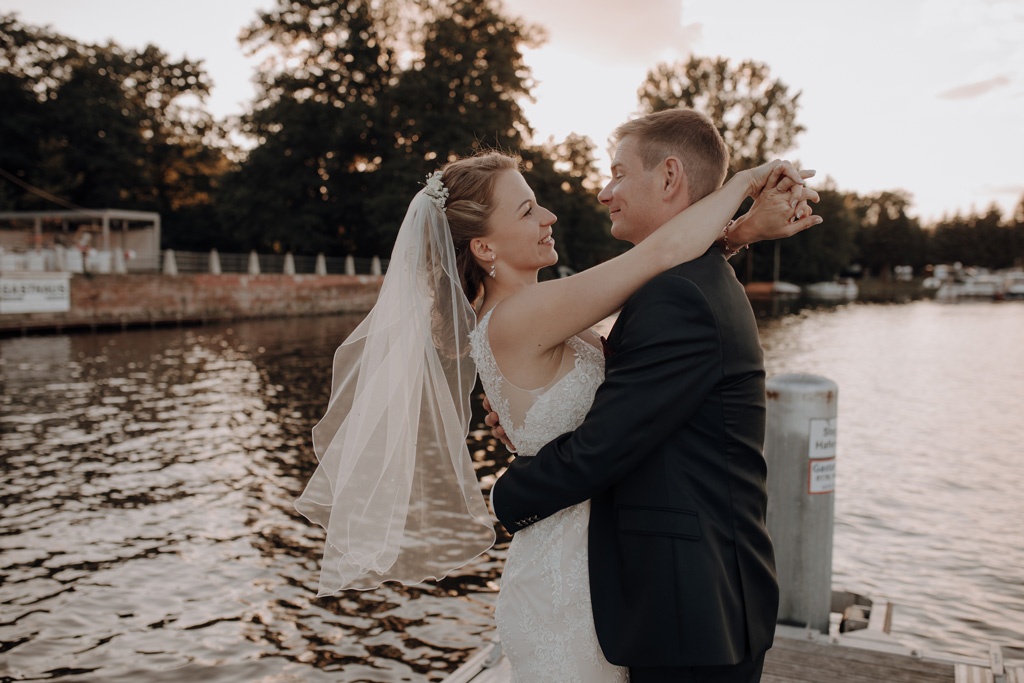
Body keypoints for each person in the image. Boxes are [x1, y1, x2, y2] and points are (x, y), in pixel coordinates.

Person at [295, 109, 818, 680]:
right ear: (484, 249)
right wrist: (744, 184)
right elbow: (657, 260)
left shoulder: (563, 307)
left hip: (612, 563)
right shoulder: (523, 317)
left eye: (617, 173)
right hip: (576, 562)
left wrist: (738, 232)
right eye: (526, 210)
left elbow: (649, 288)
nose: (551, 214)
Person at [486, 108, 793, 682]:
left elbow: (603, 448)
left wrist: (503, 499)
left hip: (690, 607)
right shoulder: (686, 282)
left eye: (618, 173)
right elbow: (628, 413)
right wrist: (539, 420)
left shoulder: (675, 297)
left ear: (670, 177)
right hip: (691, 599)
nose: (604, 192)